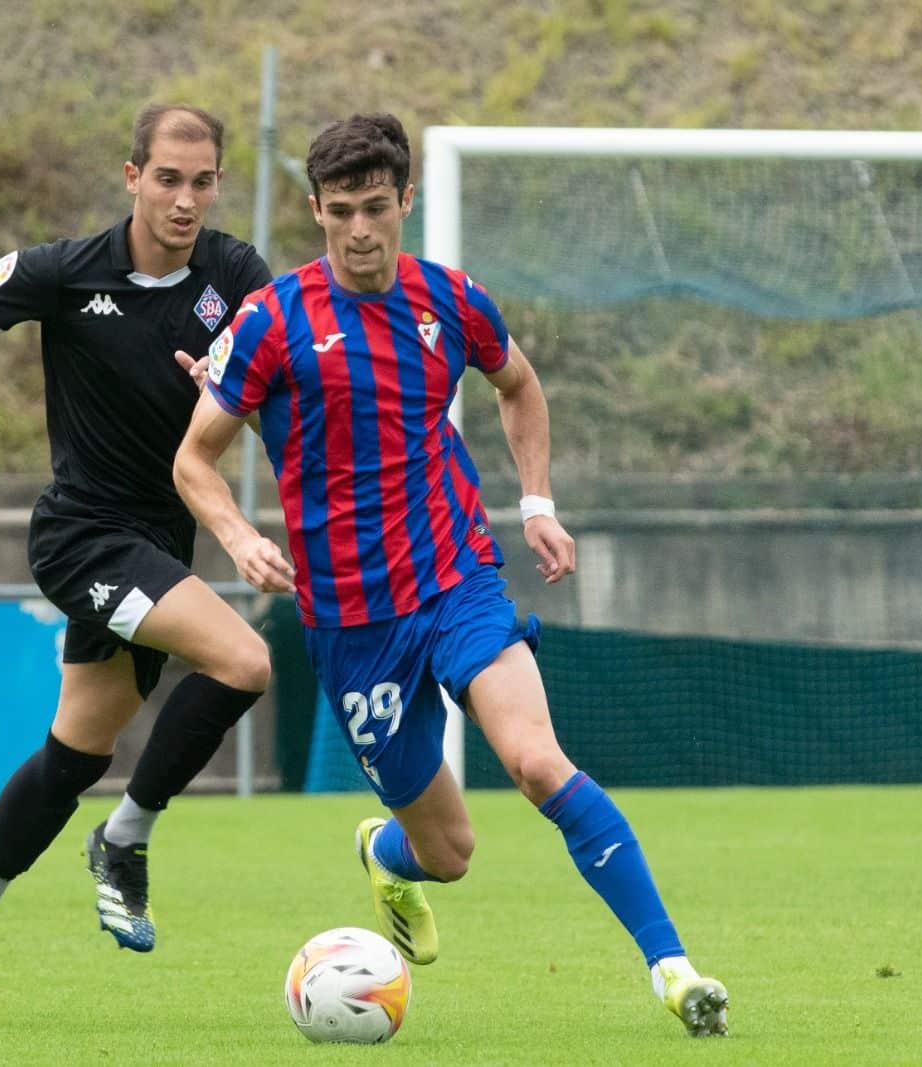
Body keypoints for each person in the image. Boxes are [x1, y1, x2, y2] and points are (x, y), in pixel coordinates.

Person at [175, 113, 731, 1037]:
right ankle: (386, 854)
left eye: (378, 207)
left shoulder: (453, 300)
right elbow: (195, 459)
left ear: (407, 202)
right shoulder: (272, 319)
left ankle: (673, 968)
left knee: (536, 761)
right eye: (342, 210)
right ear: (315, 210)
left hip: (457, 577)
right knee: (450, 850)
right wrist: (236, 536)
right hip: (352, 624)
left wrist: (538, 503)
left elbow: (517, 382)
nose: (362, 230)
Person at [0, 103, 274, 1024]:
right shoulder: (65, 272)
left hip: (159, 542)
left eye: (203, 181)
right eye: (167, 179)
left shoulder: (238, 276)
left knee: (76, 751)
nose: (185, 200)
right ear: (132, 177)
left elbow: (284, 391)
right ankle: (125, 839)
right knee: (245, 660)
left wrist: (231, 394)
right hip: (82, 535)